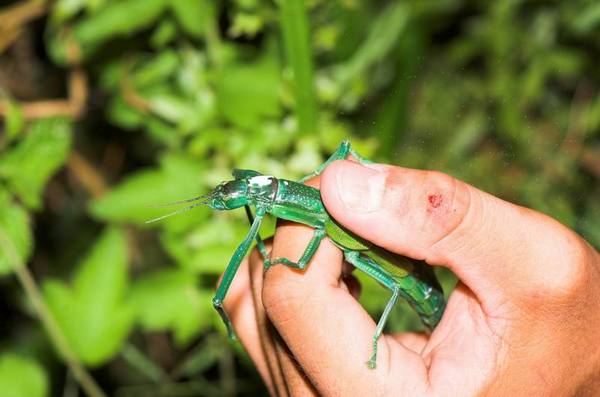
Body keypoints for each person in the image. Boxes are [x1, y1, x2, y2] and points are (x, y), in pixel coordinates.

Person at [221, 159, 600, 396]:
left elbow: (301, 266)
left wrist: (374, 346)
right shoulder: (274, 198)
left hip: (416, 284)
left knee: (302, 270)